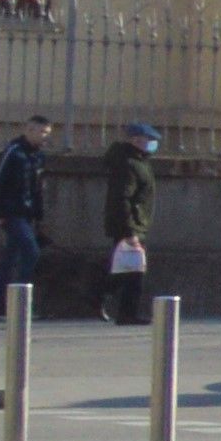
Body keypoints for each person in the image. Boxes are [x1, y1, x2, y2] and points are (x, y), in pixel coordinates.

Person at [0, 117, 49, 321]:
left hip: (26, 214)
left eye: (47, 133)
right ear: (29, 130)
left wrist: (38, 217)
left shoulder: (38, 157)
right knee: (31, 252)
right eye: (42, 132)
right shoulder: (14, 152)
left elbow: (37, 190)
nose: (45, 137)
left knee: (9, 259)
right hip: (11, 213)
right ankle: (18, 306)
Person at [97, 124, 159, 327]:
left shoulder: (139, 162)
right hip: (129, 226)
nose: (152, 143)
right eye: (147, 139)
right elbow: (122, 198)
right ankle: (117, 308)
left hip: (134, 224)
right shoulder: (128, 163)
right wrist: (129, 231)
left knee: (126, 270)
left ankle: (105, 300)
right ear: (134, 140)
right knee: (133, 272)